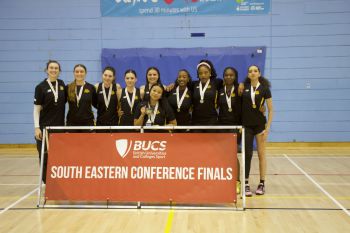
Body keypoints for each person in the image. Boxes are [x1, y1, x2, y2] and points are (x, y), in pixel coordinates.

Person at [242, 65, 274, 196]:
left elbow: (271, 109)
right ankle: (246, 183)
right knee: (247, 154)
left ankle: (262, 183)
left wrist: (268, 128)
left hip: (260, 126)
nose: (253, 73)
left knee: (261, 154)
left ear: (259, 73)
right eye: (250, 71)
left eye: (255, 71)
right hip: (247, 125)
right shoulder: (243, 87)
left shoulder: (265, 89)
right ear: (248, 74)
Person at [34, 60, 66, 183]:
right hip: (44, 128)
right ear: (47, 70)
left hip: (59, 128)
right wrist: (37, 127)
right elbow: (36, 109)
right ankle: (46, 182)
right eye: (51, 68)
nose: (53, 70)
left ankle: (57, 181)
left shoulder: (62, 84)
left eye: (56, 68)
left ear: (59, 70)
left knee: (58, 156)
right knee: (44, 157)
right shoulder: (40, 87)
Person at [217, 67, 242, 194]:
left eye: (231, 75)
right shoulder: (220, 90)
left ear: (235, 76)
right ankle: (224, 180)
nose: (228, 77)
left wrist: (242, 126)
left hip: (235, 127)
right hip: (221, 126)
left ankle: (237, 182)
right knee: (222, 155)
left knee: (232, 154)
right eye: (226, 75)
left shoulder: (240, 89)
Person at [191, 60, 222, 130]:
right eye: (200, 73)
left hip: (212, 121)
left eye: (206, 72)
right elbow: (181, 84)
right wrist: (173, 85)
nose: (203, 75)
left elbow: (231, 84)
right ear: (198, 74)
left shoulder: (217, 83)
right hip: (196, 121)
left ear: (210, 73)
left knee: (211, 141)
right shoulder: (193, 84)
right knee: (197, 141)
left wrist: (241, 84)